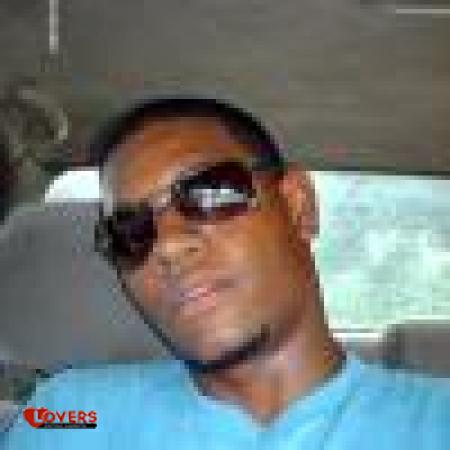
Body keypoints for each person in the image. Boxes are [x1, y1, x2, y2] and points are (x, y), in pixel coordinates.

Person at [4, 97, 450, 449]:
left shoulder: (436, 422)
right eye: (129, 230)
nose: (168, 246)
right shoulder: (68, 415)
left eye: (210, 192)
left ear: (297, 206)